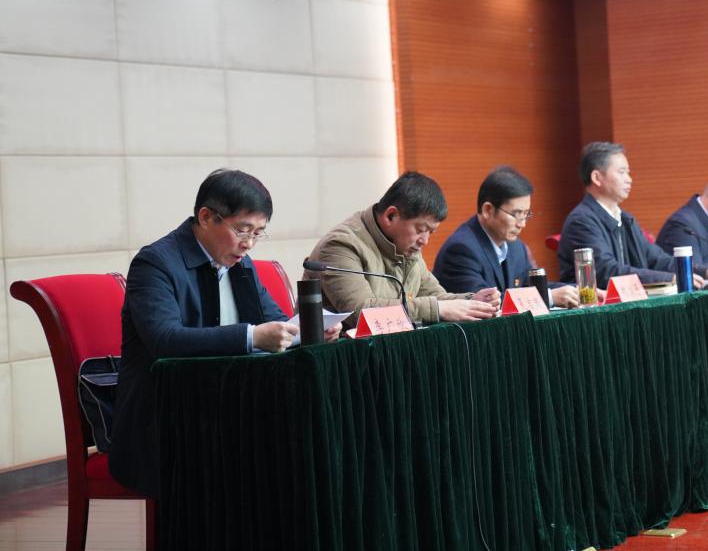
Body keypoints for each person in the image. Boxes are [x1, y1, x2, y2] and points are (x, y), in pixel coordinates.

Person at [111, 169, 341, 498]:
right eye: (242, 230)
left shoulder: (240, 263)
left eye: (258, 233)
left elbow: (278, 322)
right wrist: (251, 337)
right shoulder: (155, 263)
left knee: (312, 441)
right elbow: (165, 340)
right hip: (167, 418)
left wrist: (310, 332)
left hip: (229, 408)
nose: (248, 243)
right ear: (206, 217)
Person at [305, 171, 501, 325]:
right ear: (391, 216)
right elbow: (361, 312)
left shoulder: (406, 245)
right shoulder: (341, 245)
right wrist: (439, 309)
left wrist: (472, 301)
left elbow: (434, 295)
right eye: (421, 230)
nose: (425, 241)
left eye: (430, 232)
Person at [433, 166, 579, 307]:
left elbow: (531, 287)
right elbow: (485, 302)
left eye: (525, 214)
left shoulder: (516, 247)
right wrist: (549, 297)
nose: (522, 224)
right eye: (516, 214)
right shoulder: (461, 250)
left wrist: (575, 290)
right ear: (488, 210)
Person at [558, 142, 694, 289]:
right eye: (621, 172)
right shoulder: (581, 221)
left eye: (627, 172)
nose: (629, 179)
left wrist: (699, 272)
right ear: (597, 177)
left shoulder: (625, 219)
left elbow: (657, 259)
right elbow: (606, 272)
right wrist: (669, 278)